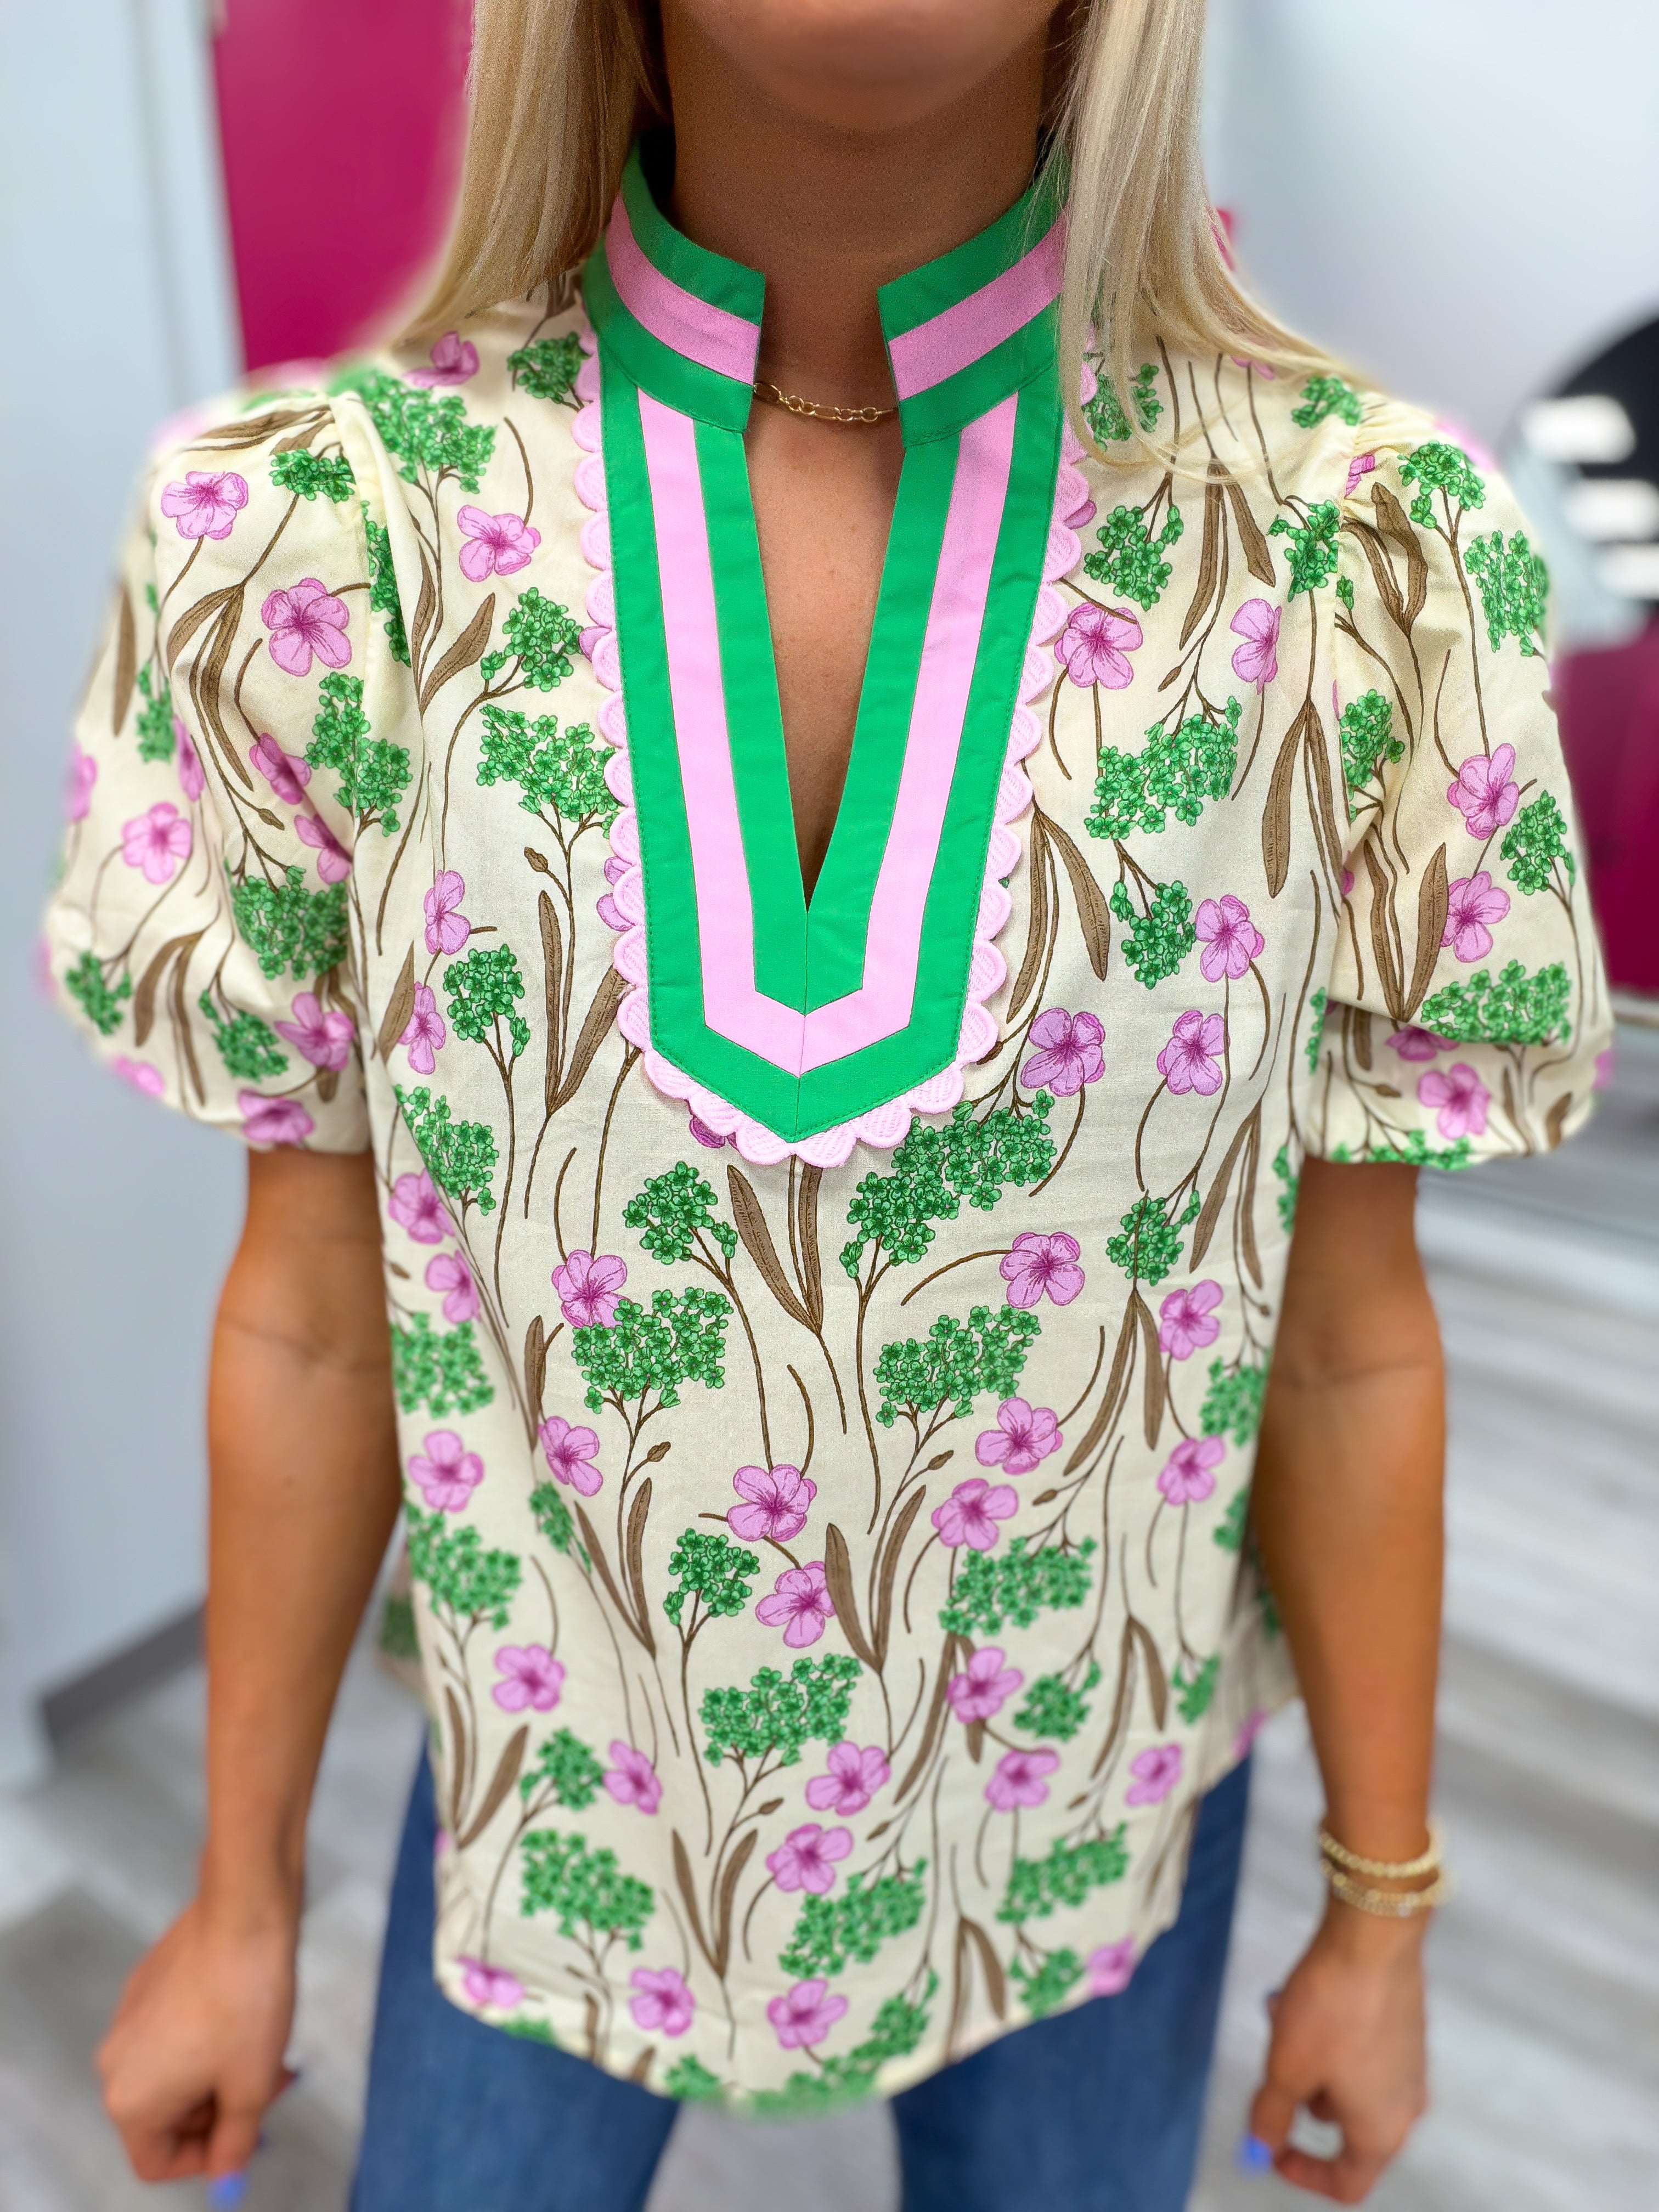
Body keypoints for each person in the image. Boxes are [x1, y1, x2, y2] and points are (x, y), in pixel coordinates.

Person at [48, 2, 1611, 2206]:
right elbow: (315, 1311)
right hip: (556, 1810)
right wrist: (237, 1897)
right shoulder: (328, 542)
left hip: (1095, 1809)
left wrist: (1383, 1908)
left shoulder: (1357, 559)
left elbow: (1343, 1343)